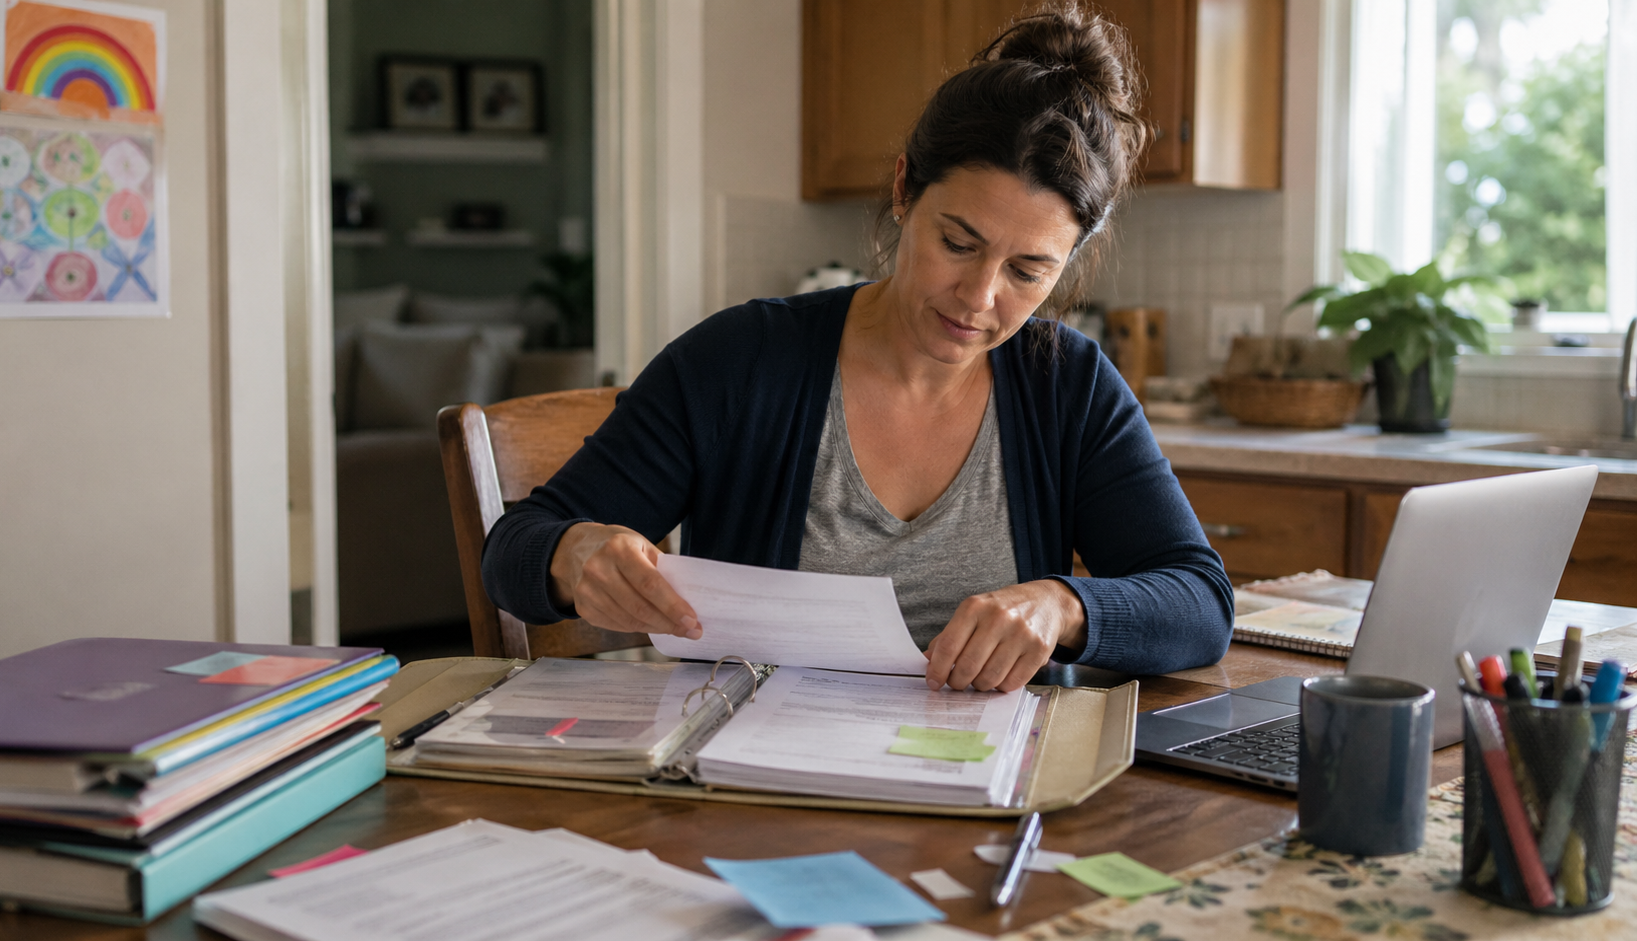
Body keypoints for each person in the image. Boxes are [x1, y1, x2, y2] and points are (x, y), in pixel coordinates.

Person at [483, 3, 1233, 691]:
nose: (979, 297)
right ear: (905, 190)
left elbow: (1200, 602)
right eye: (957, 242)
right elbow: (514, 548)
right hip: (754, 782)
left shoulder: (1067, 386)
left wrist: (1063, 604)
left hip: (982, 791)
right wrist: (572, 554)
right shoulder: (743, 359)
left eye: (1028, 270)